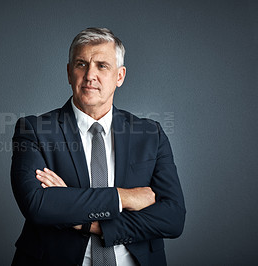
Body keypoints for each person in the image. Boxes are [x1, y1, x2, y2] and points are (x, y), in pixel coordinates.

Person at [10, 27, 185, 266]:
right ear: (69, 73)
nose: (90, 74)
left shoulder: (150, 134)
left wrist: (88, 223)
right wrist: (124, 197)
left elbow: (172, 218)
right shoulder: (34, 130)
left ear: (120, 76)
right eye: (81, 64)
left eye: (102, 65)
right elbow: (38, 205)